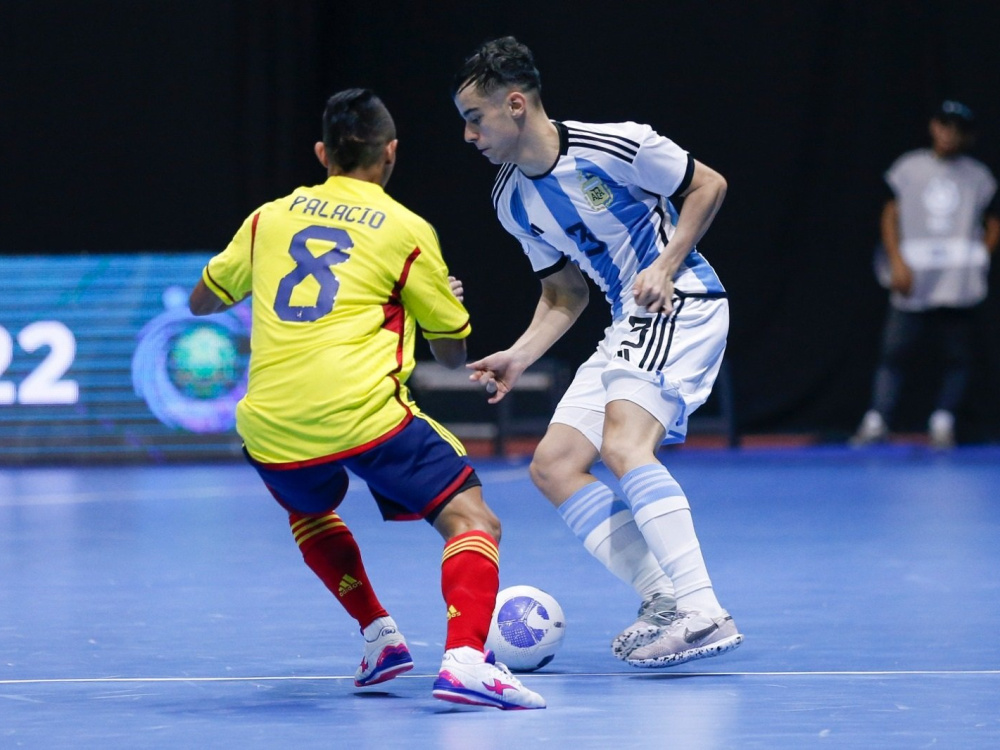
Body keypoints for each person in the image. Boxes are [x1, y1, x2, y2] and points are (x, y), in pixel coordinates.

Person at [188, 88, 544, 710]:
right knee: (471, 518)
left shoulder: (268, 218)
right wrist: (429, 300)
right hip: (363, 415)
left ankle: (380, 636)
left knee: (311, 511)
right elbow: (452, 355)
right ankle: (464, 660)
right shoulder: (407, 230)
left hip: (270, 427)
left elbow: (203, 301)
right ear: (391, 154)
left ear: (323, 152)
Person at [452, 37, 743, 668]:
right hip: (625, 320)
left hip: (679, 299)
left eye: (475, 120)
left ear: (517, 105)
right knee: (554, 465)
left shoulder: (616, 144)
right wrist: (521, 355)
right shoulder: (510, 201)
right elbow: (563, 291)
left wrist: (664, 265)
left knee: (622, 445)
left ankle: (702, 610)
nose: (470, 136)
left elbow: (709, 186)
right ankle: (663, 596)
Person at [852, 101, 999, 449]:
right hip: (914, 280)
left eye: (957, 128)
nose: (949, 134)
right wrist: (897, 260)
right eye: (944, 125)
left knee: (958, 355)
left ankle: (943, 420)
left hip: (957, 282)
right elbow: (890, 214)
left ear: (967, 135)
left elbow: (994, 221)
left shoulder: (979, 175)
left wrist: (981, 256)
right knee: (894, 351)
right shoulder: (909, 168)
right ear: (934, 127)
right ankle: (878, 419)